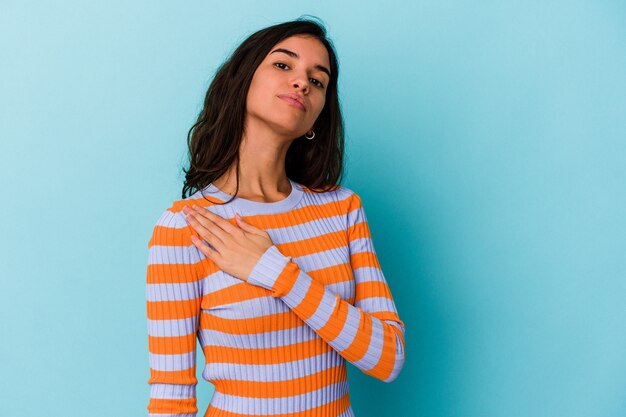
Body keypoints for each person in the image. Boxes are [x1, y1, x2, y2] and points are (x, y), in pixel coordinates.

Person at [146, 16, 406, 417]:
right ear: (242, 81)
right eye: (283, 65)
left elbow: (387, 358)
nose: (302, 82)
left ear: (318, 115)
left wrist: (274, 270)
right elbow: (171, 397)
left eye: (317, 80)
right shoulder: (186, 227)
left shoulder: (342, 209)